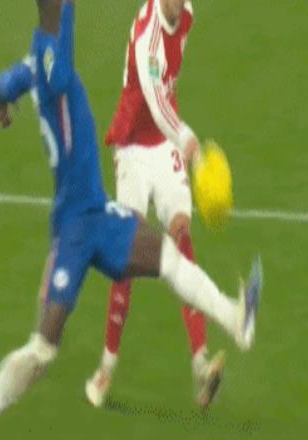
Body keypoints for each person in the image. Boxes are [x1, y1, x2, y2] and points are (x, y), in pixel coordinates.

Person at [0, 1, 262, 439]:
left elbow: (6, 82)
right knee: (42, 349)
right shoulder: (56, 67)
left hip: (99, 213)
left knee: (170, 259)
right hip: (73, 230)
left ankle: (235, 319)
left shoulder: (35, 62)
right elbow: (58, 46)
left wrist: (2, 99)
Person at [85, 0, 224, 410]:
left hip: (164, 146)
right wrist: (187, 138)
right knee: (126, 254)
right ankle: (106, 367)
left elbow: (169, 92)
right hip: (132, 146)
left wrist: (176, 140)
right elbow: (156, 102)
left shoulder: (188, 16)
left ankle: (201, 364)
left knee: (182, 234)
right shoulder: (147, 34)